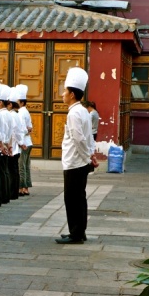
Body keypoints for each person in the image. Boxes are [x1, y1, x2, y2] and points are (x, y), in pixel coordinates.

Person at [56, 67, 98, 245]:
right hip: (80, 160)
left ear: (72, 94)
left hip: (75, 162)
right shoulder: (82, 111)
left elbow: (79, 138)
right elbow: (88, 138)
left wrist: (87, 157)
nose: (63, 94)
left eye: (65, 91)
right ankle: (79, 230)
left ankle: (76, 233)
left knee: (72, 198)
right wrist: (90, 155)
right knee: (79, 198)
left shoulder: (74, 112)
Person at [16, 84, 33, 196]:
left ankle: (22, 187)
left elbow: (23, 129)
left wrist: (21, 142)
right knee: (26, 166)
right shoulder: (26, 111)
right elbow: (29, 127)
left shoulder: (21, 112)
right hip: (29, 141)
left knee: (21, 166)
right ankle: (26, 187)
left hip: (24, 142)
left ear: (21, 102)